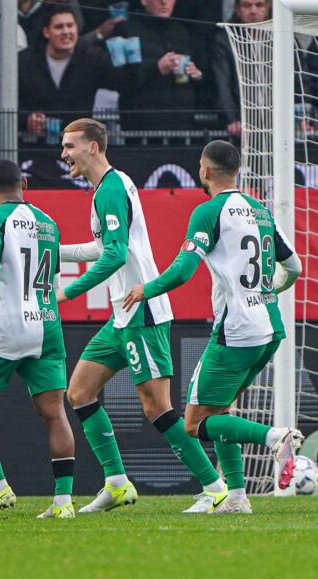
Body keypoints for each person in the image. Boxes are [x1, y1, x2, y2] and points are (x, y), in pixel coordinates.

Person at [57, 118, 229, 514]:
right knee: (80, 391)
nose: (63, 153)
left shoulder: (112, 189)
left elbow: (115, 255)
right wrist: (54, 248)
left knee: (156, 407)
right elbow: (105, 249)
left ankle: (215, 487)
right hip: (122, 314)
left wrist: (67, 292)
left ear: (94, 147)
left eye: (70, 146)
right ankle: (117, 484)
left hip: (143, 313)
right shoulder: (108, 187)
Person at [122, 140, 304, 513]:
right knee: (220, 411)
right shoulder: (261, 210)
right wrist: (270, 290)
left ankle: (276, 437)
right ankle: (236, 496)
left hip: (236, 331)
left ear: (205, 170)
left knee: (194, 423)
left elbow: (183, 270)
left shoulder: (209, 212)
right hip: (270, 328)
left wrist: (146, 289)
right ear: (236, 170)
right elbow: (295, 266)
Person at [0, 159, 76, 519]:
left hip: (7, 326)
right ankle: (63, 502)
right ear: (24, 183)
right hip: (47, 324)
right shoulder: (49, 223)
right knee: (55, 413)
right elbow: (53, 277)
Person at [19, 6, 136, 137]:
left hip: (79, 144)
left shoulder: (94, 57)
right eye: (59, 27)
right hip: (37, 144)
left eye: (70, 26)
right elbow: (13, 103)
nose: (66, 31)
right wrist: (27, 119)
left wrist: (132, 63)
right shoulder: (24, 60)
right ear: (46, 32)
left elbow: (123, 84)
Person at [111, 0, 204, 131]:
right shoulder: (125, 30)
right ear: (144, 1)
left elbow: (202, 80)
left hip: (182, 126)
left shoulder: (181, 31)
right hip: (141, 129)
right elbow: (116, 79)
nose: (164, 2)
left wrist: (196, 74)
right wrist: (156, 69)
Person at [211, 0, 271, 139]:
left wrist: (301, 115)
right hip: (242, 123)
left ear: (268, 7)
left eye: (259, 5)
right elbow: (222, 83)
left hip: (277, 120)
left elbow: (300, 82)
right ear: (237, 9)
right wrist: (231, 118)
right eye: (247, 5)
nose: (253, 11)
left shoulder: (283, 39)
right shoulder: (225, 40)